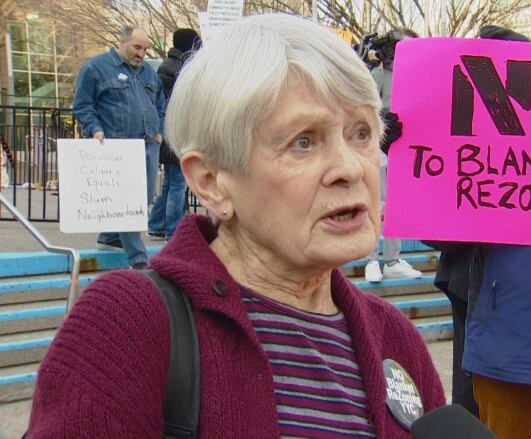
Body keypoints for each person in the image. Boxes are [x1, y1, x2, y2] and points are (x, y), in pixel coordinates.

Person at [26, 14, 445, 437]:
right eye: (303, 141)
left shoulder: (396, 338)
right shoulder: (127, 324)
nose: (350, 168)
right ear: (211, 183)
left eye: (361, 133)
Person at [423, 25, 531, 419]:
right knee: (471, 397)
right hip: (472, 280)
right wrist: (401, 153)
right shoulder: (454, 131)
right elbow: (428, 226)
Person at [72, 26, 165, 270]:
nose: (142, 54)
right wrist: (94, 128)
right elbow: (83, 104)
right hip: (117, 146)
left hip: (147, 144)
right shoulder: (96, 67)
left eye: (145, 49)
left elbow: (160, 103)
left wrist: (160, 131)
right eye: (137, 47)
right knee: (129, 200)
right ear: (122, 41)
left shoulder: (148, 73)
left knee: (143, 198)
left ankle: (110, 237)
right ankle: (137, 257)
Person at [364, 28, 424, 283]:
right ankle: (372, 259)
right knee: (377, 202)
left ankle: (393, 259)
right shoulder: (376, 77)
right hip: (379, 147)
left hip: (404, 147)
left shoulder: (415, 78)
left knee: (396, 204)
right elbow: (364, 110)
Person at [147, 28, 200, 242]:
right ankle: (173, 229)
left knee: (171, 181)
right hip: (177, 131)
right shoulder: (179, 69)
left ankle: (157, 224)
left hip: (168, 131)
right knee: (178, 183)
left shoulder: (168, 66)